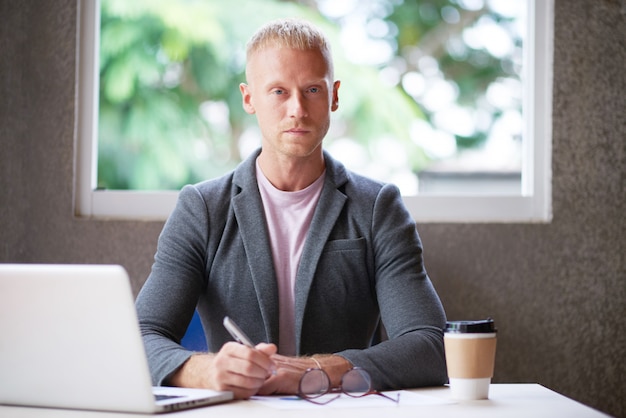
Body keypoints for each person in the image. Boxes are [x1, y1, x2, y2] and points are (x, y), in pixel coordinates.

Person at [135, 17, 447, 400]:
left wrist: (311, 371)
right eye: (279, 91)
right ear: (249, 98)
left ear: (333, 96)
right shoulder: (202, 208)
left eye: (312, 90)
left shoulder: (378, 208)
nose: (297, 109)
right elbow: (140, 337)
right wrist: (206, 371)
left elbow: (431, 345)